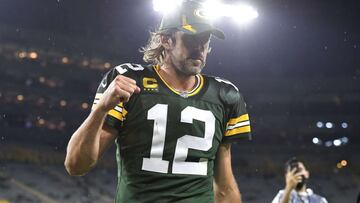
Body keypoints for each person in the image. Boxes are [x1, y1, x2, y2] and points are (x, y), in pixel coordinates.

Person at [64, 0, 251, 202]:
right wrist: (100, 110)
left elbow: (224, 186)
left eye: (205, 39)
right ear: (166, 40)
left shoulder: (225, 95)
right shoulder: (130, 82)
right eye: (191, 38)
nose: (199, 47)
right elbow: (76, 165)